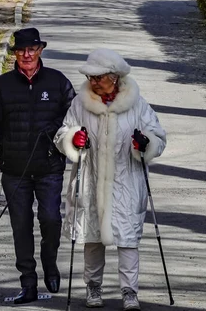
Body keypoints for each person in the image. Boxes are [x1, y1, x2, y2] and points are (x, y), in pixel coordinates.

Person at [54, 48, 166, 311]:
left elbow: (159, 137)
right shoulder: (81, 103)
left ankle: (130, 292)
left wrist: (145, 143)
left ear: (114, 77)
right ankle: (93, 288)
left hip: (126, 181)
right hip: (90, 180)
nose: (93, 82)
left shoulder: (137, 103)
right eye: (91, 77)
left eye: (98, 77)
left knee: (128, 239)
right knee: (92, 237)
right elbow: (63, 133)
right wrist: (73, 140)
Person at [0, 27, 75, 305]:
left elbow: (76, 119)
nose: (27, 54)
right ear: (15, 54)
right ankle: (28, 282)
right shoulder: (1, 86)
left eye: (32, 49)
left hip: (49, 167)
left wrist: (58, 131)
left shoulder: (58, 82)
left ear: (41, 50)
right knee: (21, 226)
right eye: (22, 50)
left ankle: (50, 263)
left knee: (51, 219)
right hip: (14, 170)